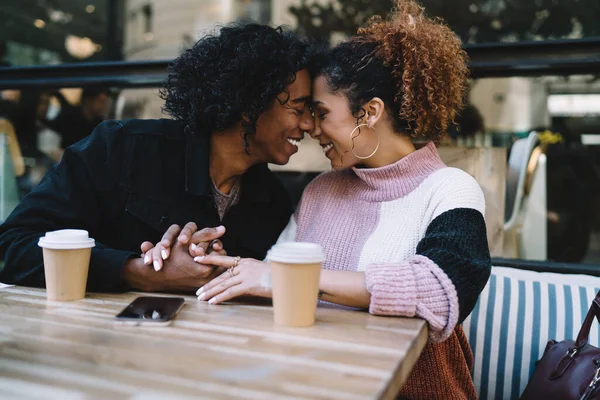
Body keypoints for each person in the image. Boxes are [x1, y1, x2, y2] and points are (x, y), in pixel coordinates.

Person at [179, 2, 490, 398]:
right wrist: (212, 263)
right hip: (314, 383)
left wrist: (288, 280)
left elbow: (440, 292)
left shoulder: (449, 188)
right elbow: (270, 283)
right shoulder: (321, 190)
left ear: (370, 112)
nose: (311, 128)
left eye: (322, 113)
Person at [0, 22, 315, 293]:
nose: (308, 125)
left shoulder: (271, 202)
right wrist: (137, 271)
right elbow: (15, 247)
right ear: (250, 105)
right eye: (298, 108)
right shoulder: (121, 149)